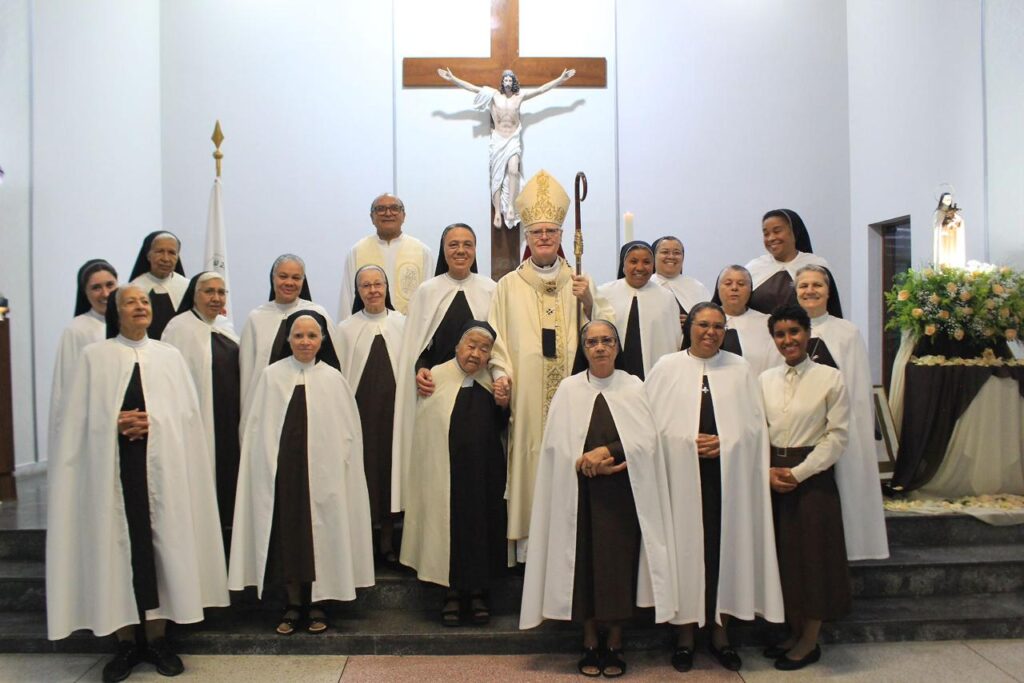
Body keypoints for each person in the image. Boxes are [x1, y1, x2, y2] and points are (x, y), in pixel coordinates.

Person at [47, 285, 228, 682]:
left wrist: (154, 423)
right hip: (112, 470)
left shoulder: (169, 358)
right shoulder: (95, 357)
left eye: (145, 301)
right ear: (116, 311)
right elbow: (74, 424)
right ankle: (126, 642)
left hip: (162, 471)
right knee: (115, 548)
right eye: (131, 301)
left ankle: (159, 638)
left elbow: (186, 421)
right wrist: (113, 423)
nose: (141, 306)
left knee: (162, 545)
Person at [520, 320, 675, 678]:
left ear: (618, 347)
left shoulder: (635, 387)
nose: (600, 347)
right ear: (584, 348)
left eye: (607, 341)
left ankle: (616, 641)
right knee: (584, 564)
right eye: (593, 342)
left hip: (623, 493)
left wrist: (607, 452)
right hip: (580, 493)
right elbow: (556, 445)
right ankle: (589, 639)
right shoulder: (569, 389)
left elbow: (648, 441)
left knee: (617, 565)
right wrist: (582, 462)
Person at [645, 302, 784, 673]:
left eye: (718, 326)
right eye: (703, 325)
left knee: (724, 551)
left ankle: (722, 633)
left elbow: (756, 429)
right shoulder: (666, 368)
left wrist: (727, 441)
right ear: (689, 327)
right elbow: (650, 426)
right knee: (686, 552)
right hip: (680, 480)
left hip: (727, 480)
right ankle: (686, 635)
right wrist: (685, 440)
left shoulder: (739, 369)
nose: (710, 332)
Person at [487, 169, 613, 559]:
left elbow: (605, 337)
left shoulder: (579, 281)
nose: (544, 238)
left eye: (551, 233)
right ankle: (528, 550)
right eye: (537, 232)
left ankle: (570, 542)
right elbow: (496, 341)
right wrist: (502, 375)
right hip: (526, 398)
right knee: (529, 460)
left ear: (562, 238)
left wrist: (589, 302)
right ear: (527, 238)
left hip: (571, 394)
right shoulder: (508, 286)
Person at [229, 311, 374, 636]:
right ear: (288, 340)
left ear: (322, 340)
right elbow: (255, 431)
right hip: (284, 477)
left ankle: (320, 602)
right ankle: (293, 604)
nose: (305, 342)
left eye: (312, 336)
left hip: (325, 477)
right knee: (289, 538)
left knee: (322, 535)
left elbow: (350, 434)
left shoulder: (334, 379)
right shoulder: (270, 376)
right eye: (299, 336)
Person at [760, 304, 852, 671]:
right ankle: (793, 632)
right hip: (771, 475)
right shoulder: (764, 379)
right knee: (784, 558)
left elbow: (837, 437)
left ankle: (810, 640)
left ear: (808, 334)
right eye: (780, 335)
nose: (788, 340)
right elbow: (756, 429)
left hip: (812, 478)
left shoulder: (830, 378)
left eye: (794, 332)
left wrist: (798, 473)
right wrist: (765, 470)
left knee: (813, 559)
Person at [401, 321, 509, 626]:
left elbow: (503, 427)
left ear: (491, 355)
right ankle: (449, 594)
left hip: (484, 474)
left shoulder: (493, 382)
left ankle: (477, 593)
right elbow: (424, 428)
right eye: (470, 346)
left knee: (480, 528)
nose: (475, 353)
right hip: (443, 473)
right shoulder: (435, 378)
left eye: (484, 348)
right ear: (458, 347)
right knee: (446, 530)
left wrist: (503, 405)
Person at [393, 223, 496, 514]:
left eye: (467, 244)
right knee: (438, 473)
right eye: (453, 244)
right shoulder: (428, 291)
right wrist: (421, 370)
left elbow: (499, 345)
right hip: (437, 394)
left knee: (476, 472)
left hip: (480, 395)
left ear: (475, 250)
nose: (461, 250)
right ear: (443, 250)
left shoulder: (491, 289)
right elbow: (420, 345)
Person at [795, 265, 889, 560]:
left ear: (828, 290)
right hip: (797, 432)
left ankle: (849, 548)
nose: (810, 291)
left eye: (816, 285)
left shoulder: (846, 332)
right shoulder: (786, 329)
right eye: (803, 286)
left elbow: (858, 390)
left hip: (835, 427)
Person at [437, 67, 576, 227]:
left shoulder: (519, 97)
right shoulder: (493, 96)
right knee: (496, 177)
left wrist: (560, 79)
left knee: (513, 171)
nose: (508, 82)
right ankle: (497, 212)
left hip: (512, 140)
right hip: (497, 139)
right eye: (505, 80)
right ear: (502, 82)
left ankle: (510, 205)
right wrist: (453, 79)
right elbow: (472, 88)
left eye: (510, 80)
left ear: (513, 82)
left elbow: (541, 90)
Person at [335, 265, 406, 564]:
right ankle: (362, 544)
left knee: (390, 472)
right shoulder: (345, 329)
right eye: (366, 285)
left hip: (395, 417)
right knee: (363, 473)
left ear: (387, 287)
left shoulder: (404, 324)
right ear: (358, 291)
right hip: (360, 416)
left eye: (378, 284)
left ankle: (388, 541)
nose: (373, 290)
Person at [162, 272, 241, 530]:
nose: (216, 298)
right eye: (209, 291)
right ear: (194, 295)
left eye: (221, 292)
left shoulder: (225, 326)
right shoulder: (179, 328)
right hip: (198, 419)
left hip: (228, 418)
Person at [239, 254, 338, 420]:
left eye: (296, 277)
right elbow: (248, 373)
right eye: (283, 276)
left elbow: (332, 364)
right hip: (267, 404)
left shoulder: (317, 314)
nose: (289, 283)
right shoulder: (256, 318)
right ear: (273, 278)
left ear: (303, 281)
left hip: (310, 404)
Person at [49, 259, 118, 453]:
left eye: (110, 285)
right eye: (96, 287)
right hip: (93, 421)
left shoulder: (129, 324)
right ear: (84, 292)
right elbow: (68, 386)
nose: (105, 293)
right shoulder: (77, 329)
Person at [336, 193, 433, 318]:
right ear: (372, 217)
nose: (388, 213)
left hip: (411, 330)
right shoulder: (357, 251)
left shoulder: (422, 251)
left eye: (394, 208)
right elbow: (347, 298)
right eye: (381, 209)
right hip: (367, 329)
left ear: (404, 216)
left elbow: (429, 299)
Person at [597, 241, 682, 379]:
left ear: (653, 265)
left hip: (654, 376)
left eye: (647, 262)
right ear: (623, 265)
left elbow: (674, 341)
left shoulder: (666, 298)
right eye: (633, 261)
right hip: (613, 376)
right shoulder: (605, 293)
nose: (640, 267)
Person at [745, 210, 842, 317]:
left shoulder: (815, 267)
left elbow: (831, 311)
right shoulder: (753, 269)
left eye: (777, 231)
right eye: (766, 234)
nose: (771, 238)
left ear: (794, 232)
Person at [710, 264, 782, 377]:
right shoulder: (704, 320)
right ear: (718, 288)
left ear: (751, 289)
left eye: (741, 284)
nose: (734, 288)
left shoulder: (767, 323)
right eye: (728, 283)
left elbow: (775, 366)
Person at [129, 231, 189, 339]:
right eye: (160, 251)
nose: (165, 258)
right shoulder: (134, 288)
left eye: (172, 252)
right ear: (148, 255)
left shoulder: (188, 287)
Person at [651, 236, 711, 329]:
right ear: (654, 256)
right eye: (665, 252)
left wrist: (695, 323)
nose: (671, 256)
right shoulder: (646, 286)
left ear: (683, 257)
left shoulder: (697, 288)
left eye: (676, 253)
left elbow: (711, 321)